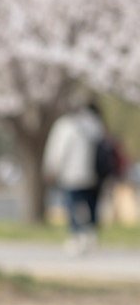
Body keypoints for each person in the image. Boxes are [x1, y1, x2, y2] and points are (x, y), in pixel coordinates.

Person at [43, 100, 105, 255]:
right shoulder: (94, 124)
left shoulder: (65, 126)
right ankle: (90, 235)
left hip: (72, 174)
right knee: (91, 205)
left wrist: (52, 169)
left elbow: (58, 151)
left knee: (73, 205)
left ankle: (77, 235)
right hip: (95, 174)